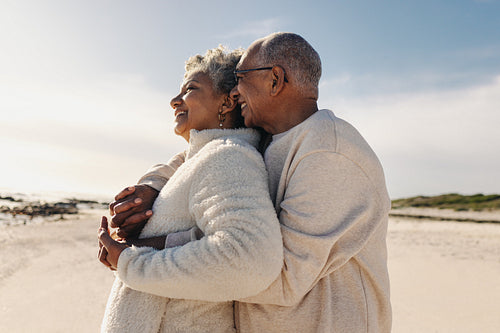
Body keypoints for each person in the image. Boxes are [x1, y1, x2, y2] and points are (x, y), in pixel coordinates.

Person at [110, 32, 392, 332]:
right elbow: (202, 155)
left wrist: (145, 250)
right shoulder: (271, 140)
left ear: (275, 80)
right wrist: (153, 186)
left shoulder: (327, 151)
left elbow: (277, 274)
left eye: (241, 77)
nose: (236, 89)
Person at [98, 46, 283, 333]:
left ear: (228, 102)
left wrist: (129, 261)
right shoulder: (202, 159)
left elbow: (251, 259)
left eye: (190, 89)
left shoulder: (228, 157)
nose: (174, 101)